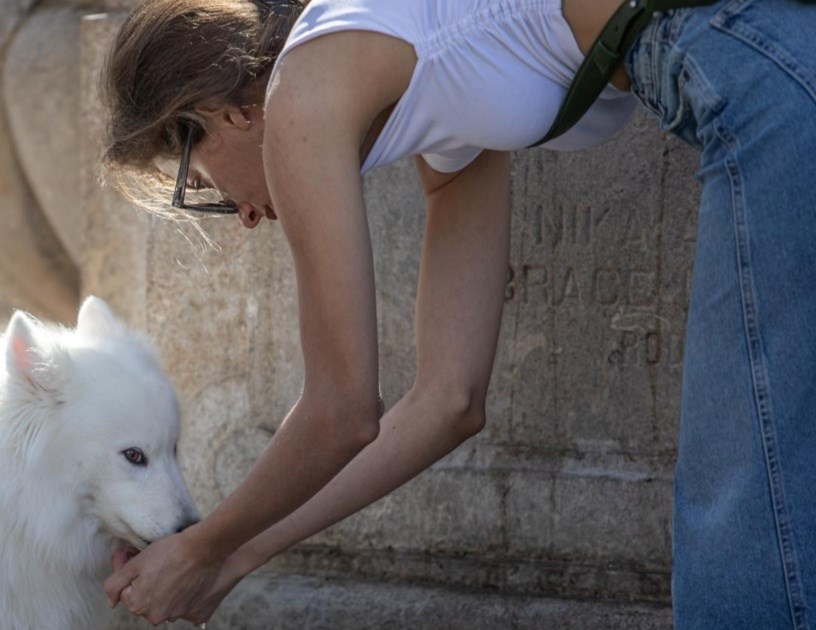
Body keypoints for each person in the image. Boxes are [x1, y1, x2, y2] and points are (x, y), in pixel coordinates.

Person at [98, 0, 816, 627]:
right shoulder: (423, 81)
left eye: (204, 185)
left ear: (224, 114)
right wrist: (234, 554)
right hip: (769, 60)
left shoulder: (302, 88)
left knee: (743, 539)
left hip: (753, 65)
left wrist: (200, 548)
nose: (244, 215)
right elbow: (448, 400)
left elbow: (342, 410)